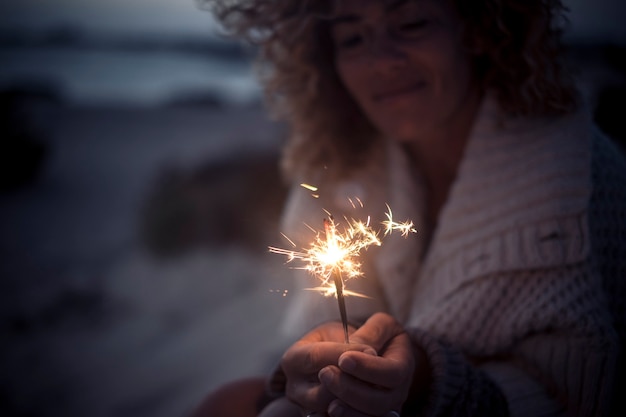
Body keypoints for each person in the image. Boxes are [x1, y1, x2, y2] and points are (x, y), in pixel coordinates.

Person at [191, 0, 626, 416]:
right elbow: (308, 347)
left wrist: (422, 381)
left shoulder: (577, 179)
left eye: (412, 23)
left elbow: (574, 395)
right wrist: (309, 384)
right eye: (353, 38)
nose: (382, 60)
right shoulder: (335, 172)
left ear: (477, 26)